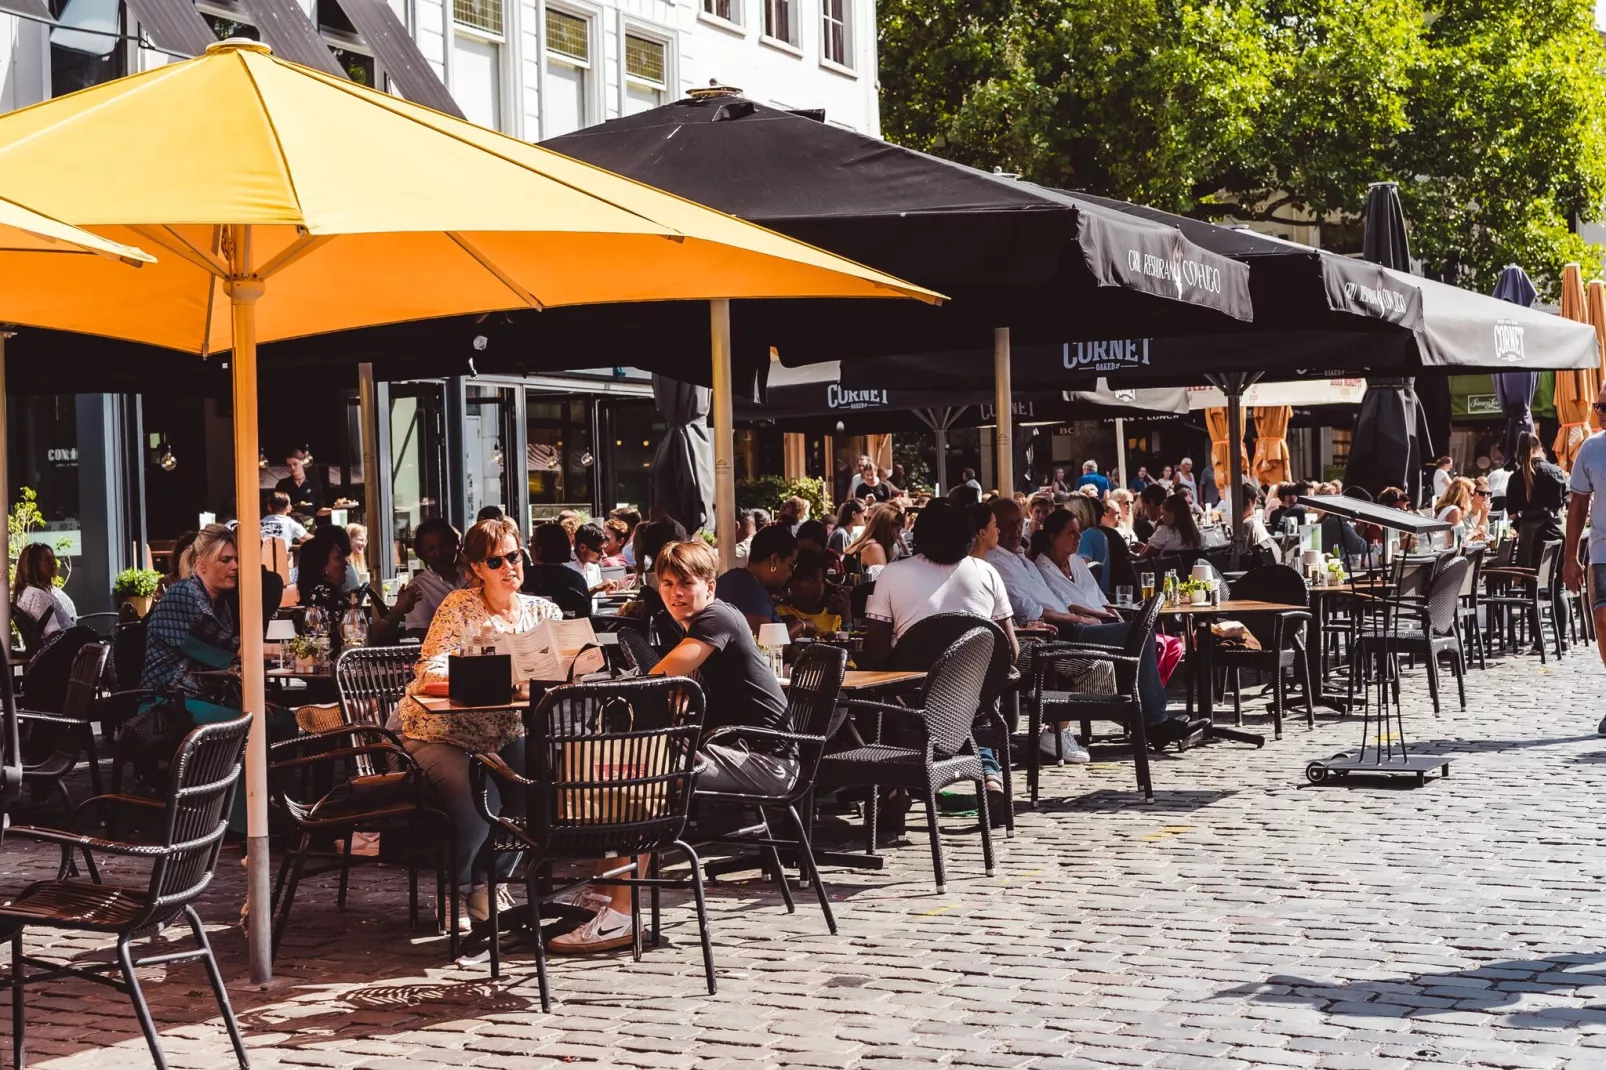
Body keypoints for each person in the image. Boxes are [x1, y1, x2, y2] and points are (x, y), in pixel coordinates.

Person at [392, 518, 563, 930]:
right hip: (440, 732)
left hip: (505, 731)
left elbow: (569, 666)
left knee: (538, 792)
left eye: (514, 556)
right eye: (495, 560)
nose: (509, 567)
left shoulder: (544, 611)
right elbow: (429, 670)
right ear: (476, 569)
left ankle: (490, 883)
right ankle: (456, 888)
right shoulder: (459, 607)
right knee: (478, 808)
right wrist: (480, 677)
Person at [141, 525, 241, 716]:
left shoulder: (219, 604)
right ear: (201, 563)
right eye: (226, 559)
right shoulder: (185, 595)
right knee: (258, 726)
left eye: (236, 559)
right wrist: (288, 651)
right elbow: (231, 646)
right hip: (167, 703)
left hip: (204, 697)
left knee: (280, 720)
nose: (235, 566)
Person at [1564, 383, 1606, 685]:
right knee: (1603, 622)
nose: (1601, 413)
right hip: (1602, 550)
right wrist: (1571, 558)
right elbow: (1577, 505)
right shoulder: (1591, 448)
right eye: (1599, 407)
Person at [367, 518, 463, 645]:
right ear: (421, 553)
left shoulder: (477, 575)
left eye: (444, 545)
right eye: (431, 548)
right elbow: (427, 638)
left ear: (456, 545)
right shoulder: (418, 587)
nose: (438, 552)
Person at [715, 524, 801, 636]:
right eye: (791, 565)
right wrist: (800, 625)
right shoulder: (752, 591)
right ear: (774, 560)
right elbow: (764, 643)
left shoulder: (730, 578)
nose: (790, 574)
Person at [1506, 430, 1567, 568]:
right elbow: (1564, 501)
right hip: (1557, 530)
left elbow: (1512, 515)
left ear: (1519, 452)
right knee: (1556, 574)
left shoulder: (1516, 477)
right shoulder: (1556, 471)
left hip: (1530, 537)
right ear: (1539, 448)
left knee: (1530, 577)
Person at [522, 521, 591, 617]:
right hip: (573, 629)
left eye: (532, 542)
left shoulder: (525, 578)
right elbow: (587, 613)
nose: (529, 547)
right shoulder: (577, 579)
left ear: (541, 548)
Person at [777, 549, 852, 636]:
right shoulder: (780, 613)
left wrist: (846, 618)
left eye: (822, 581)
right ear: (791, 581)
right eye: (811, 580)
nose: (819, 587)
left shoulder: (833, 617)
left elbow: (846, 642)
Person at [13, 543, 76, 638]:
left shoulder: (27, 593)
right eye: (47, 560)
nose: (53, 562)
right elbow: (53, 636)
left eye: (53, 558)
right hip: (71, 649)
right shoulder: (37, 595)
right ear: (34, 566)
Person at [1060, 495, 1110, 593]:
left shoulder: (1085, 536)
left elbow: (1080, 574)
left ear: (1077, 515)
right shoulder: (1099, 533)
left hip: (1090, 598)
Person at [843, 502, 905, 576]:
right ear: (887, 529)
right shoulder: (874, 548)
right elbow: (883, 582)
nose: (898, 536)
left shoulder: (865, 543)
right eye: (897, 531)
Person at [1138, 494, 1203, 557]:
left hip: (1167, 568)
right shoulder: (1197, 535)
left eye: (1163, 514)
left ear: (1172, 512)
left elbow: (1143, 558)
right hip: (1190, 568)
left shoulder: (1164, 532)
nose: (1161, 518)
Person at [274, 448, 323, 517]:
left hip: (308, 523)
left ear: (302, 462)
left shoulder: (314, 484)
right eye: (289, 465)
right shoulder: (282, 484)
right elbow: (277, 508)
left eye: (295, 464)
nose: (292, 467)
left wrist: (334, 509)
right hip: (289, 522)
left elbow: (319, 510)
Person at [1431, 476, 1474, 548]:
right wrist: (1473, 534)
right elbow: (1453, 542)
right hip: (1446, 555)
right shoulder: (1455, 511)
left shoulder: (1446, 507)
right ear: (1464, 494)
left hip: (1439, 551)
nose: (1472, 498)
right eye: (1471, 494)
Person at [345, 523, 370, 588]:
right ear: (349, 539)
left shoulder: (359, 563)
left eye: (365, 541)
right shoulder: (345, 564)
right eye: (360, 540)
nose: (364, 544)